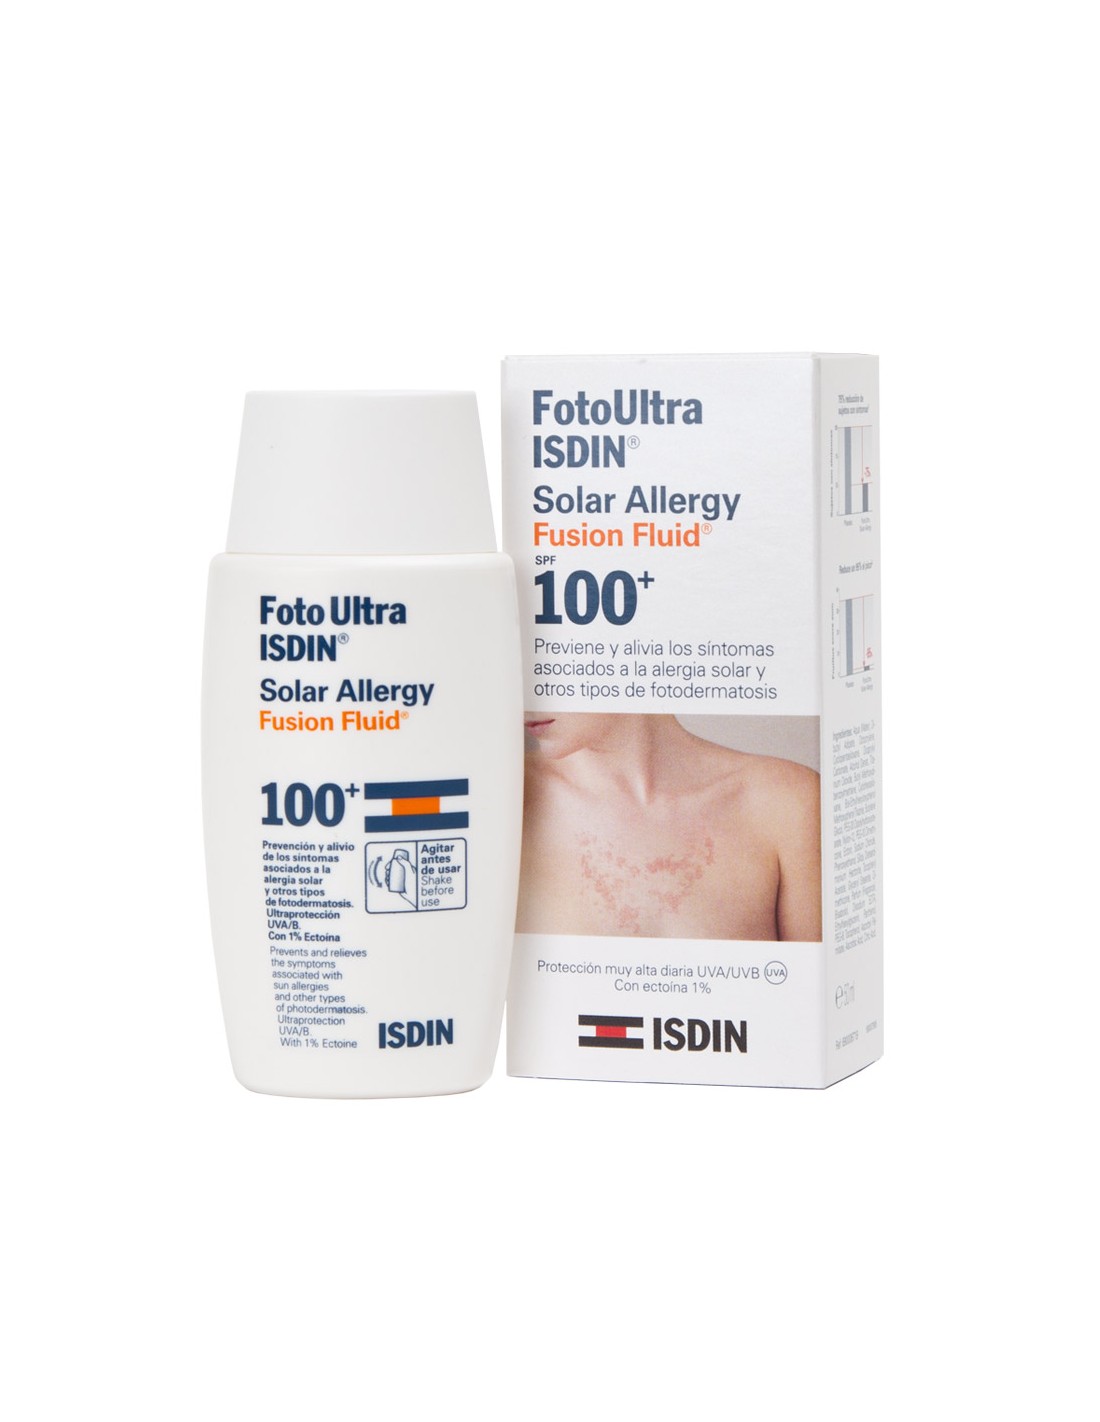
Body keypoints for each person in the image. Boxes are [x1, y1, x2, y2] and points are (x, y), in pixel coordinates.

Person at [518, 713, 821, 941]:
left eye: (547, 659)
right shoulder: (511, 799)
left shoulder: (786, 802)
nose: (523, 695)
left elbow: (810, 999)